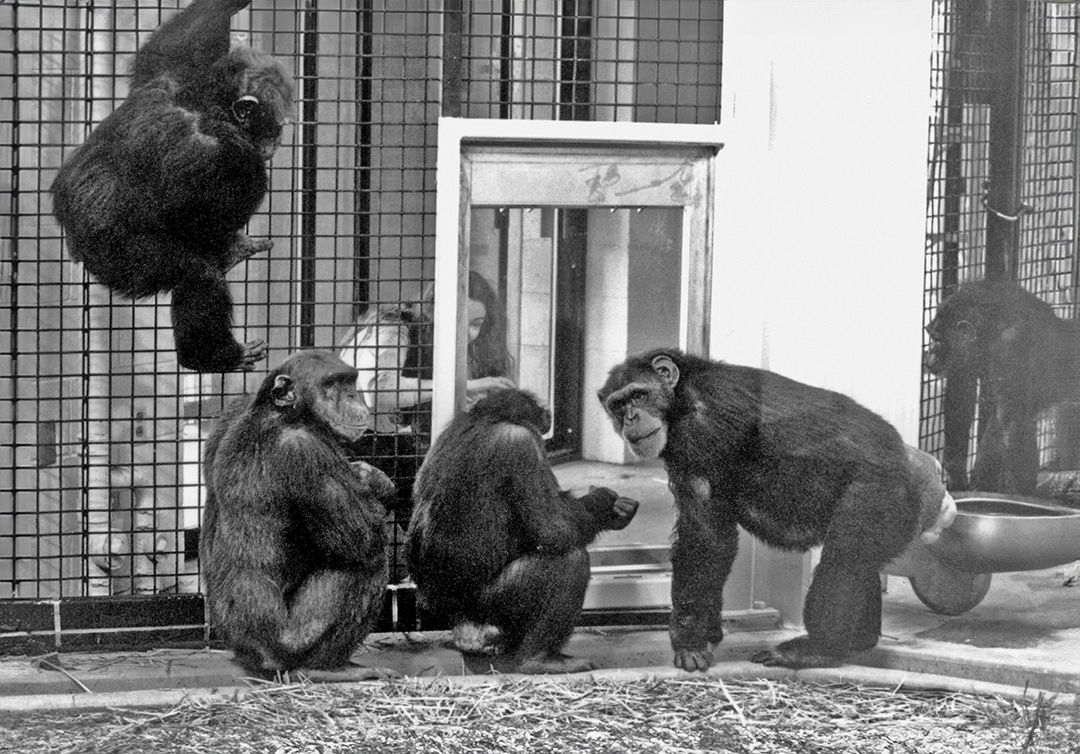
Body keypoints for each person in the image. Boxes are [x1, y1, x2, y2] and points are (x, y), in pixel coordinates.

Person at [337, 271, 516, 561]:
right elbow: (380, 392)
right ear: (434, 310)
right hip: (352, 446)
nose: (466, 332)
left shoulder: (444, 345)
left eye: (476, 324)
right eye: (460, 320)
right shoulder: (394, 327)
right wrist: (461, 386)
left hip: (394, 446)